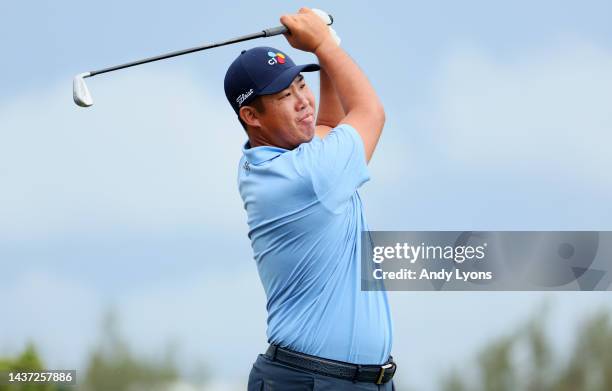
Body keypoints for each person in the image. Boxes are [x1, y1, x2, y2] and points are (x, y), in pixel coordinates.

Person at [223, 7, 395, 390]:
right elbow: (371, 113)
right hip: (311, 381)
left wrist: (325, 51)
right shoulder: (306, 176)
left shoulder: (269, 161)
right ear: (252, 115)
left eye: (302, 84)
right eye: (286, 95)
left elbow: (329, 127)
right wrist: (323, 44)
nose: (304, 100)